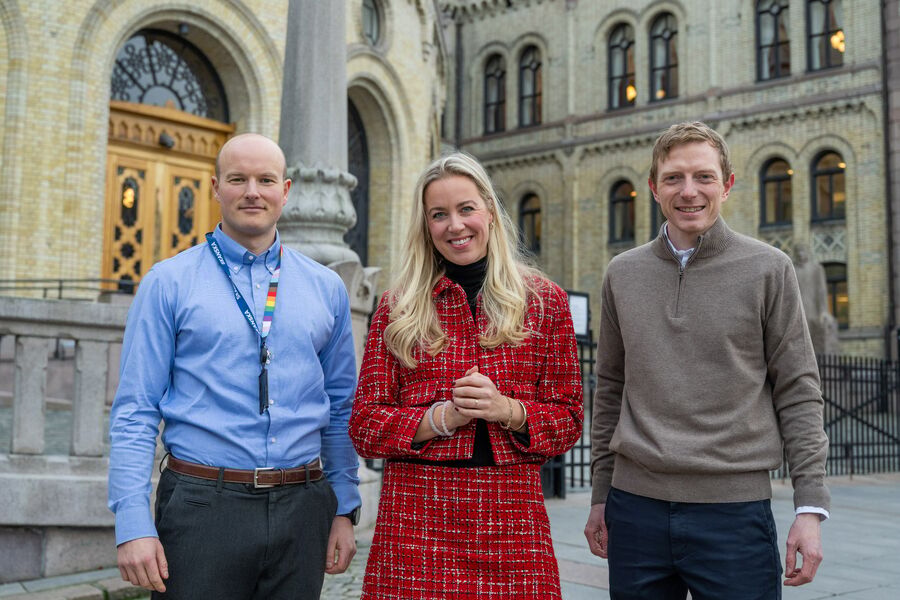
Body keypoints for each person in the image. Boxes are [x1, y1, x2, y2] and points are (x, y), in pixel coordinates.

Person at [108, 133, 361, 599]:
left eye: (265, 180)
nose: (252, 191)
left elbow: (341, 407)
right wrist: (132, 521)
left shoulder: (326, 289)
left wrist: (344, 506)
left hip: (303, 507)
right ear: (215, 187)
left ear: (285, 191)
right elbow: (135, 410)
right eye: (237, 178)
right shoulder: (169, 283)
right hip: (203, 507)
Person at [583, 121, 830, 599]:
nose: (688, 191)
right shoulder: (622, 274)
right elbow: (610, 387)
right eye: (673, 178)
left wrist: (810, 507)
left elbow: (798, 389)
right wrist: (600, 495)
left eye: (704, 177)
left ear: (728, 185)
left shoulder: (769, 269)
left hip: (734, 514)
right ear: (653, 188)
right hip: (635, 510)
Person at [349, 152, 583, 598]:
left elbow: (569, 419)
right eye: (439, 214)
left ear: (490, 213)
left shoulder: (544, 301)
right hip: (415, 525)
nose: (455, 225)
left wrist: (508, 410)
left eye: (466, 209)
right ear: (426, 225)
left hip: (513, 524)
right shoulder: (397, 308)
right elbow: (364, 426)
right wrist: (438, 419)